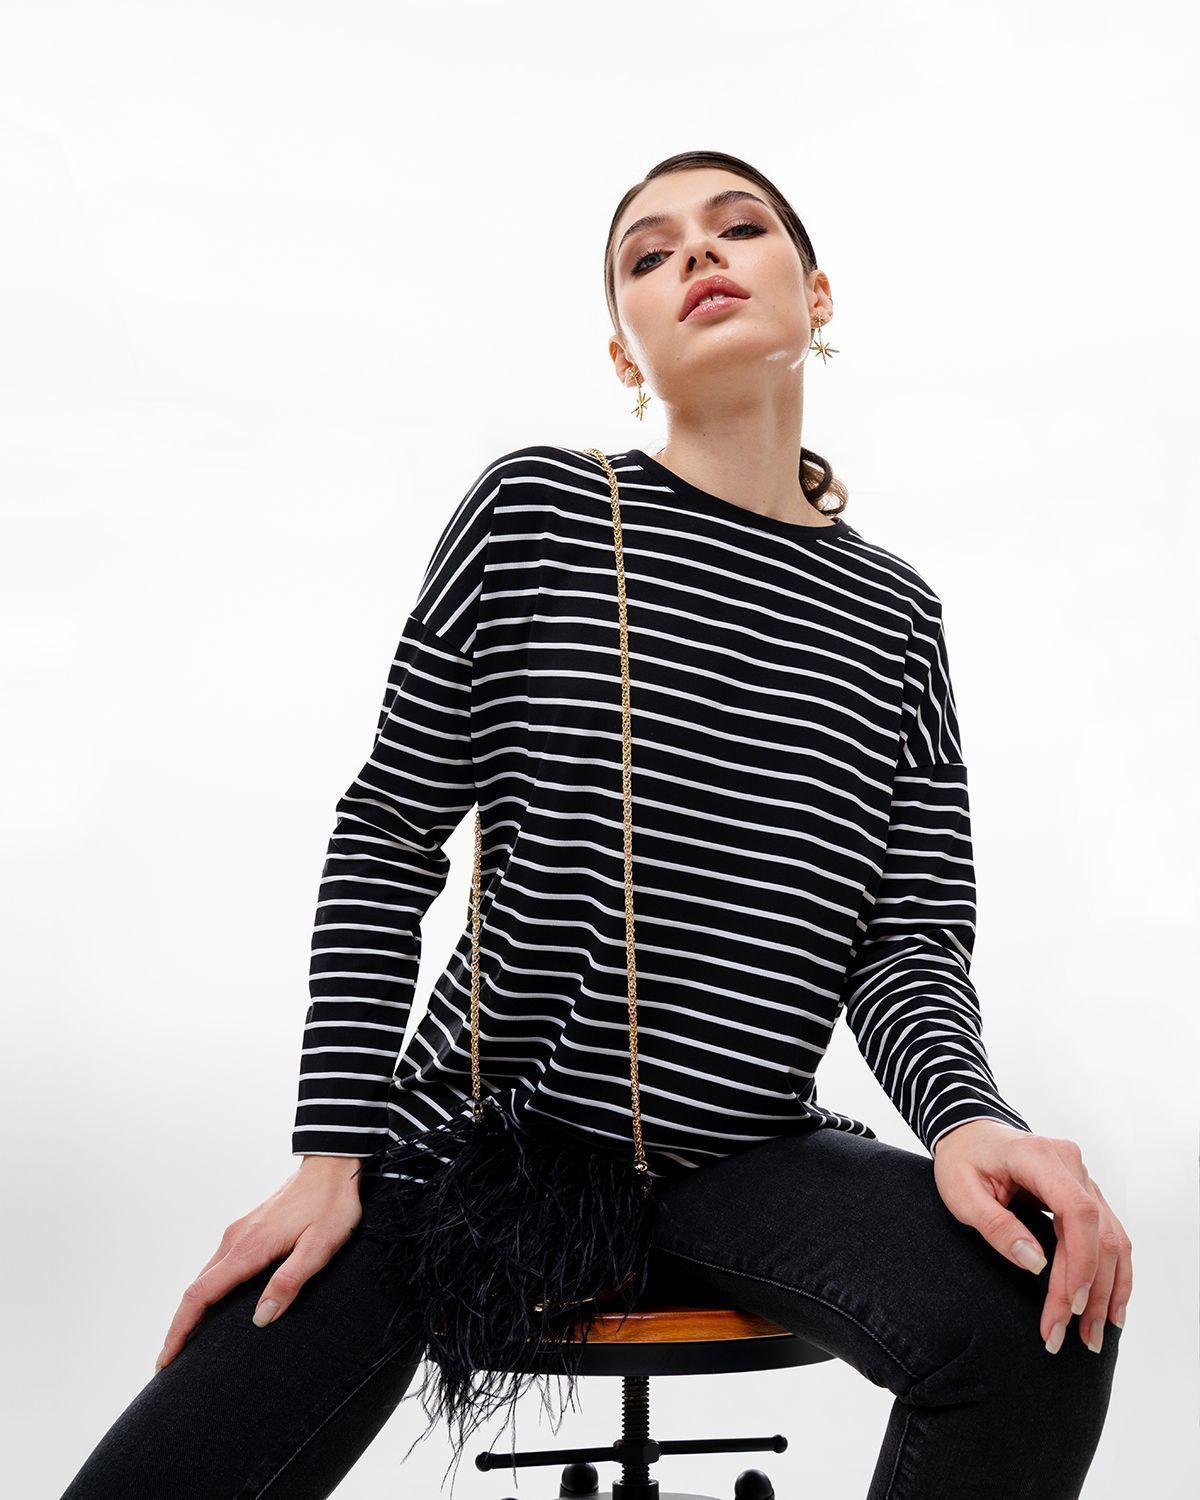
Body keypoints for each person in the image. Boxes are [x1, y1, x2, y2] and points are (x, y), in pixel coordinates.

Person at [60, 150, 1129, 1500]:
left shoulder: (895, 617)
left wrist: (967, 1120)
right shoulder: (537, 513)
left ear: (817, 296)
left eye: (738, 228)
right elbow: (389, 830)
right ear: (625, 351)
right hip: (484, 1147)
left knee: (1037, 1307)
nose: (698, 257)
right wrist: (332, 1155)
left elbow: (905, 937)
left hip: (742, 1149)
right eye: (649, 254)